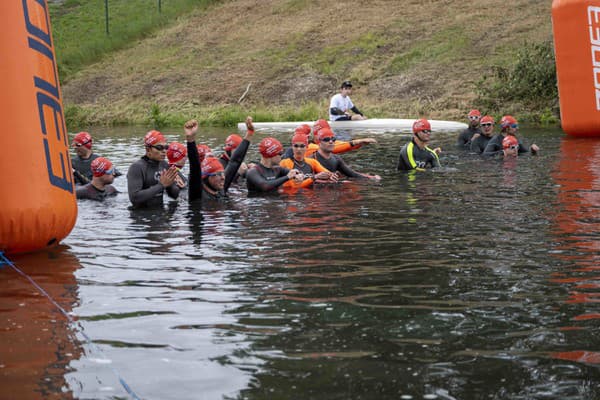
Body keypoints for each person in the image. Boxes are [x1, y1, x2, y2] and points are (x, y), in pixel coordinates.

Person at [185, 117, 254, 203]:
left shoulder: (221, 188)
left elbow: (235, 161)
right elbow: (194, 166)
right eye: (217, 174)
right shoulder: (197, 193)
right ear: (207, 176)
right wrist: (190, 139)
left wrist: (249, 134)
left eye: (222, 173)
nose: (223, 177)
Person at [127, 130, 180, 208]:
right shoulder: (137, 168)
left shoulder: (164, 165)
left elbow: (174, 195)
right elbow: (134, 198)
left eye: (166, 147)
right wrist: (161, 185)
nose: (164, 151)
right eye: (159, 147)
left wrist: (170, 184)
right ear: (148, 149)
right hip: (141, 216)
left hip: (160, 212)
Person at [309, 128, 380, 180]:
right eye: (326, 139)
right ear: (319, 142)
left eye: (333, 139)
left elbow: (352, 174)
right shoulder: (312, 159)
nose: (331, 142)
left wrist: (371, 178)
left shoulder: (336, 159)